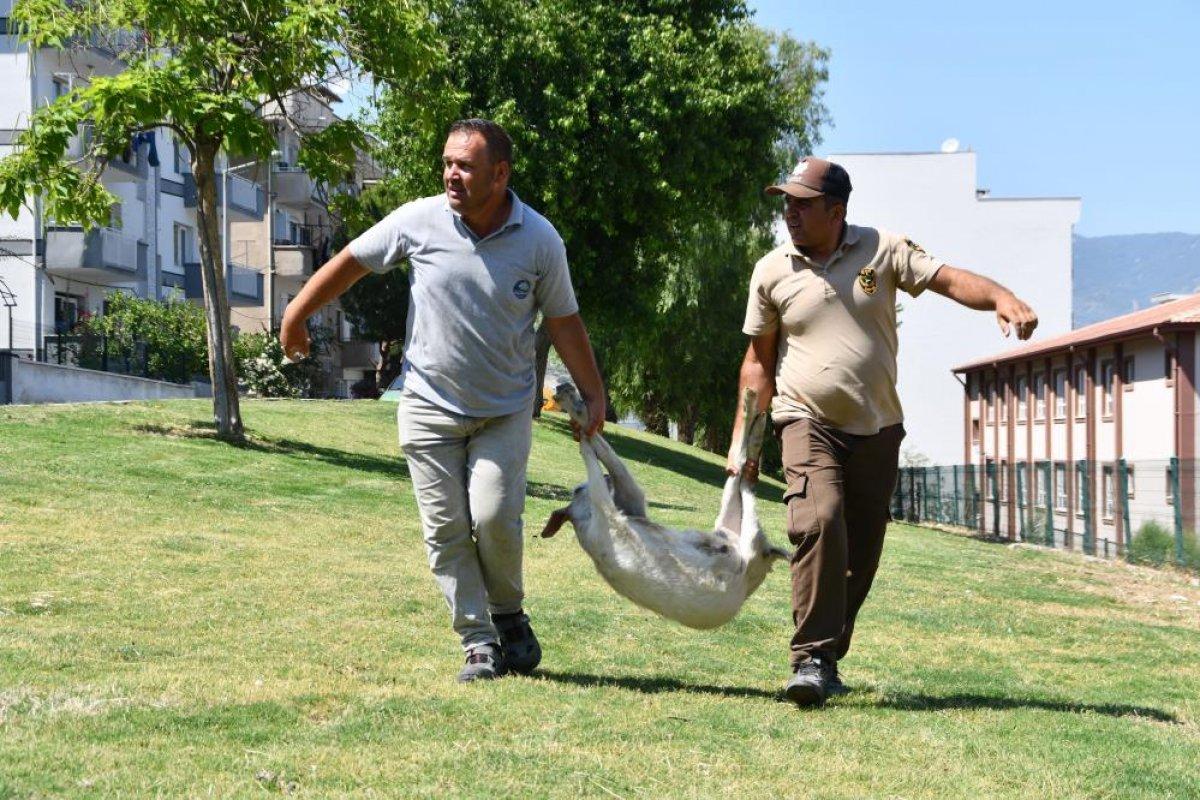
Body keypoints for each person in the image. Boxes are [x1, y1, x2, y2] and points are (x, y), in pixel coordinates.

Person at [280, 119, 606, 683]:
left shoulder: (540, 241)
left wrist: (595, 394)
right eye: (448, 163)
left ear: (500, 175)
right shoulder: (419, 219)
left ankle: (508, 615)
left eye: (466, 166)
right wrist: (296, 312)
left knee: (495, 516)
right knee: (446, 528)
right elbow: (352, 262)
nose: (452, 174)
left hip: (503, 409)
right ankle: (478, 640)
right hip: (428, 405)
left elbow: (564, 321)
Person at [727, 157, 1038, 707]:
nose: (789, 212)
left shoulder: (884, 250)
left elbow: (945, 278)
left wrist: (1000, 297)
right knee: (820, 517)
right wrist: (746, 442)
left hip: (877, 428)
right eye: (786, 202)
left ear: (836, 210)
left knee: (861, 551)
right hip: (805, 418)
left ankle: (828, 653)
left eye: (802, 203)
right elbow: (758, 362)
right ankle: (811, 658)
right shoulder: (772, 271)